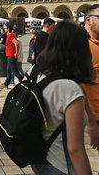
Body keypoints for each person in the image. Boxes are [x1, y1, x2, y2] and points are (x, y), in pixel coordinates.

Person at [29, 21, 92, 174]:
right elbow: (75, 150)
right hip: (59, 164)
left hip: (37, 158)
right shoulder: (69, 89)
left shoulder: (35, 71)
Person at [81, 4, 99, 151]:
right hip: (95, 116)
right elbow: (77, 87)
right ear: (88, 20)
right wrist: (91, 122)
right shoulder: (81, 47)